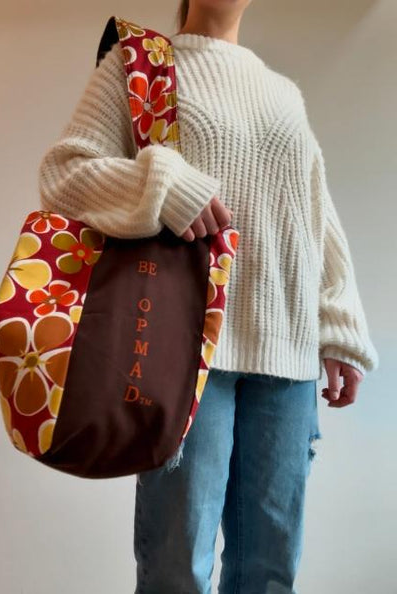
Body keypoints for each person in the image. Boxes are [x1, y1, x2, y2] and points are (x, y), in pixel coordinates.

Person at [38, 1, 379, 592]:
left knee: (269, 573)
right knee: (178, 570)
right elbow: (65, 174)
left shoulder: (282, 92)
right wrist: (166, 186)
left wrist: (340, 327)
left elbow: (316, 216)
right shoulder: (139, 63)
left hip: (288, 360)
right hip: (188, 357)